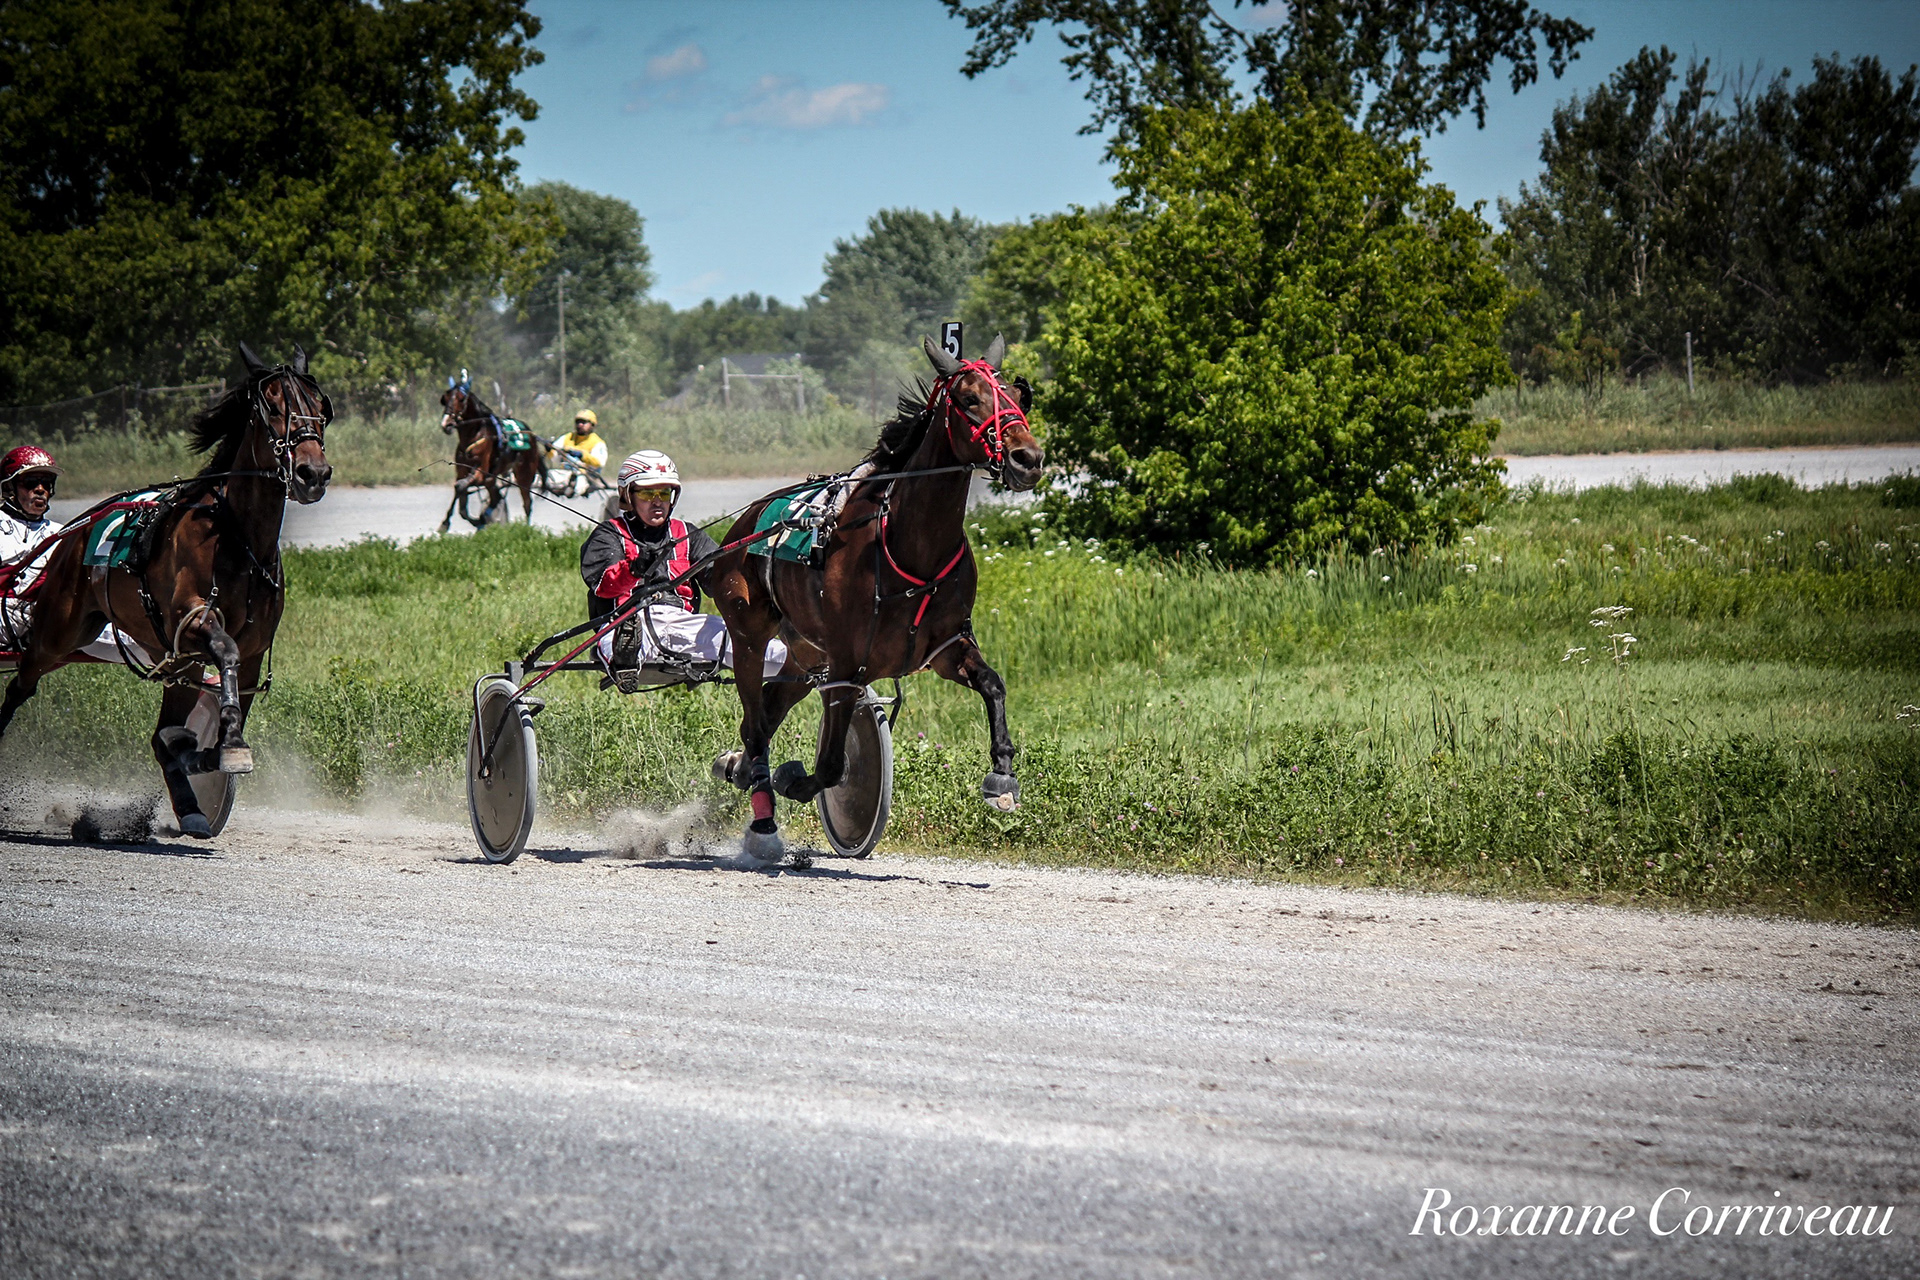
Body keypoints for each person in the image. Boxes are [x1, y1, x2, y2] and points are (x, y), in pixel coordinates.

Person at [580, 449, 787, 692]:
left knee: (772, 652)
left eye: (664, 492)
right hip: (628, 621)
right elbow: (604, 586)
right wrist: (635, 569)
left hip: (684, 624)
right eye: (648, 493)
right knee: (619, 641)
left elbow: (720, 579)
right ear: (628, 495)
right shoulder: (608, 534)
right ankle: (624, 659)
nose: (657, 501)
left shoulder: (688, 534)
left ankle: (813, 664)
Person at [0, 444, 156, 665]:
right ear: (9, 488)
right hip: (7, 615)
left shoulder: (61, 533)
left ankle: (203, 685)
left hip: (52, 618)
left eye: (47, 483)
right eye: (31, 482)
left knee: (135, 635)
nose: (41, 489)